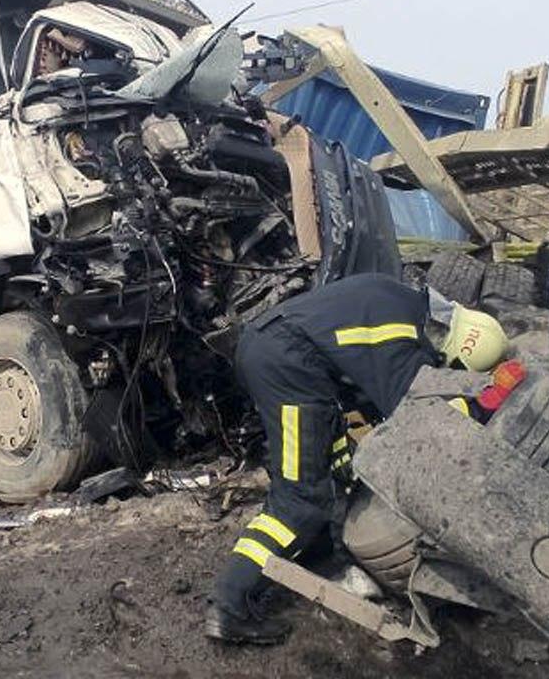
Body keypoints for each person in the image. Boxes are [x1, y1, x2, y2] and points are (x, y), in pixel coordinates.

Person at [205, 271, 508, 645]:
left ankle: (310, 561)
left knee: (330, 473)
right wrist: (481, 407)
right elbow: (414, 414)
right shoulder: (399, 336)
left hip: (285, 358)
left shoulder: (398, 297)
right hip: (290, 366)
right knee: (300, 499)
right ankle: (228, 604)